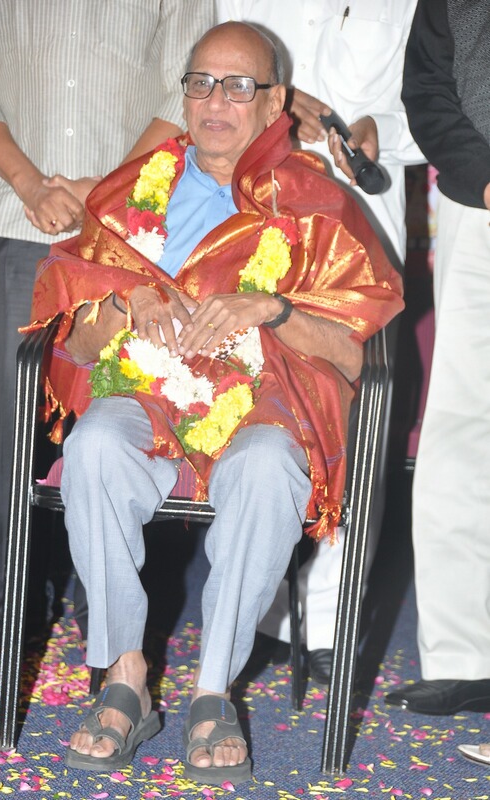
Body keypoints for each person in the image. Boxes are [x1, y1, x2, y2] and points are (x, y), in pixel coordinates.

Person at [24, 21, 403, 783]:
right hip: (143, 391)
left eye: (239, 86)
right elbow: (77, 340)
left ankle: (211, 692)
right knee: (94, 444)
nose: (216, 101)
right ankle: (126, 674)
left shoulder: (318, 202)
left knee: (266, 469)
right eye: (201, 82)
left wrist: (274, 311)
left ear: (275, 104)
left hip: (270, 399)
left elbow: (356, 352)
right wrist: (119, 298)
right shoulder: (129, 192)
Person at [0, 0, 215, 669]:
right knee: (18, 428)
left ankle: (108, 620)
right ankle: (11, 613)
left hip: (137, 231)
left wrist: (107, 190)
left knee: (117, 412)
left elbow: (188, 81)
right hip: (16, 223)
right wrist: (25, 182)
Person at [215, 0, 423, 685]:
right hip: (255, 225)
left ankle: (331, 619)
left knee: (357, 420)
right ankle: (267, 609)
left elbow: (437, 107)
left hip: (361, 233)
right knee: (260, 411)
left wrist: (378, 131)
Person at [384, 0, 490, 717]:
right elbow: (425, 85)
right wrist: (481, 176)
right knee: (459, 422)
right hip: (477, 206)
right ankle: (464, 657)